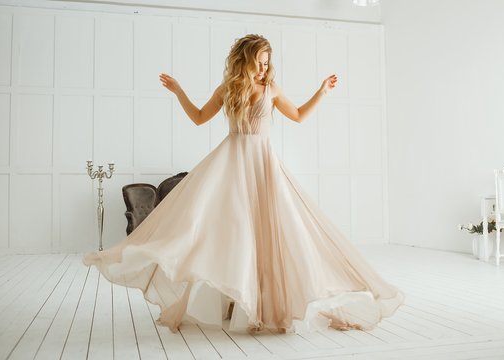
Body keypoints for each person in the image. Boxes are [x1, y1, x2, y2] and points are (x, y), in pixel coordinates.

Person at [84, 34, 403, 334]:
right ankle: (238, 302)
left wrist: (321, 92)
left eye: (268, 63)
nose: (265, 68)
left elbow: (299, 116)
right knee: (232, 234)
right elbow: (198, 117)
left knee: (271, 233)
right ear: (245, 61)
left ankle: (266, 307)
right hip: (232, 164)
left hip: (264, 166)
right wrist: (179, 91)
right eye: (260, 62)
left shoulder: (272, 89)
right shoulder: (228, 89)